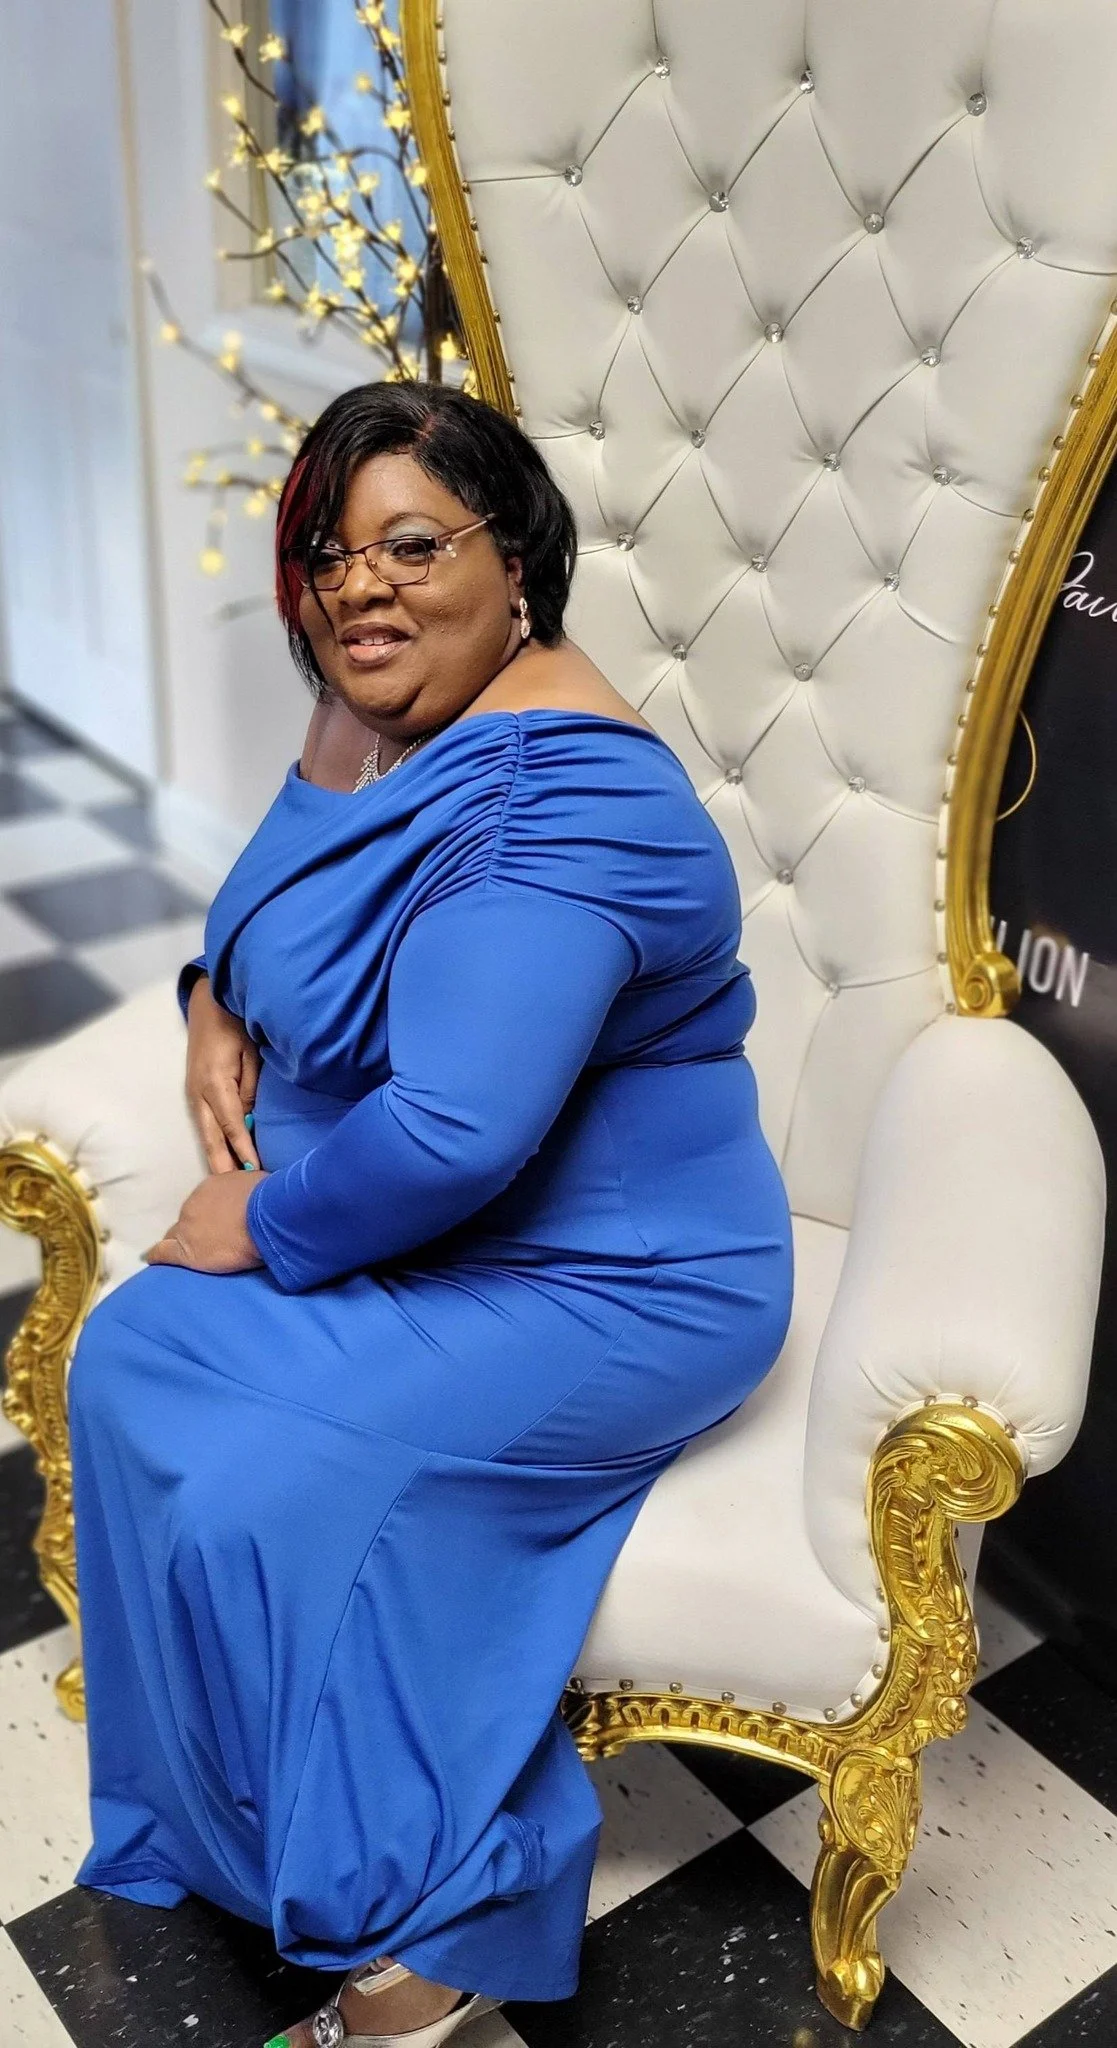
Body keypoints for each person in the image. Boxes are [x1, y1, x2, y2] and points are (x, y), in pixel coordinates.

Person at [65, 381, 794, 2048]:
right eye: (331, 556)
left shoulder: (568, 801)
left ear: (514, 560)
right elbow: (273, 892)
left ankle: (440, 1928)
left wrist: (263, 1226)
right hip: (434, 1220)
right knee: (130, 1361)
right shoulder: (381, 707)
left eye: (411, 546)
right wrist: (212, 992)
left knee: (270, 1486)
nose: (360, 590)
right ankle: (241, 1823)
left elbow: (460, 1133)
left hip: (612, 1275)